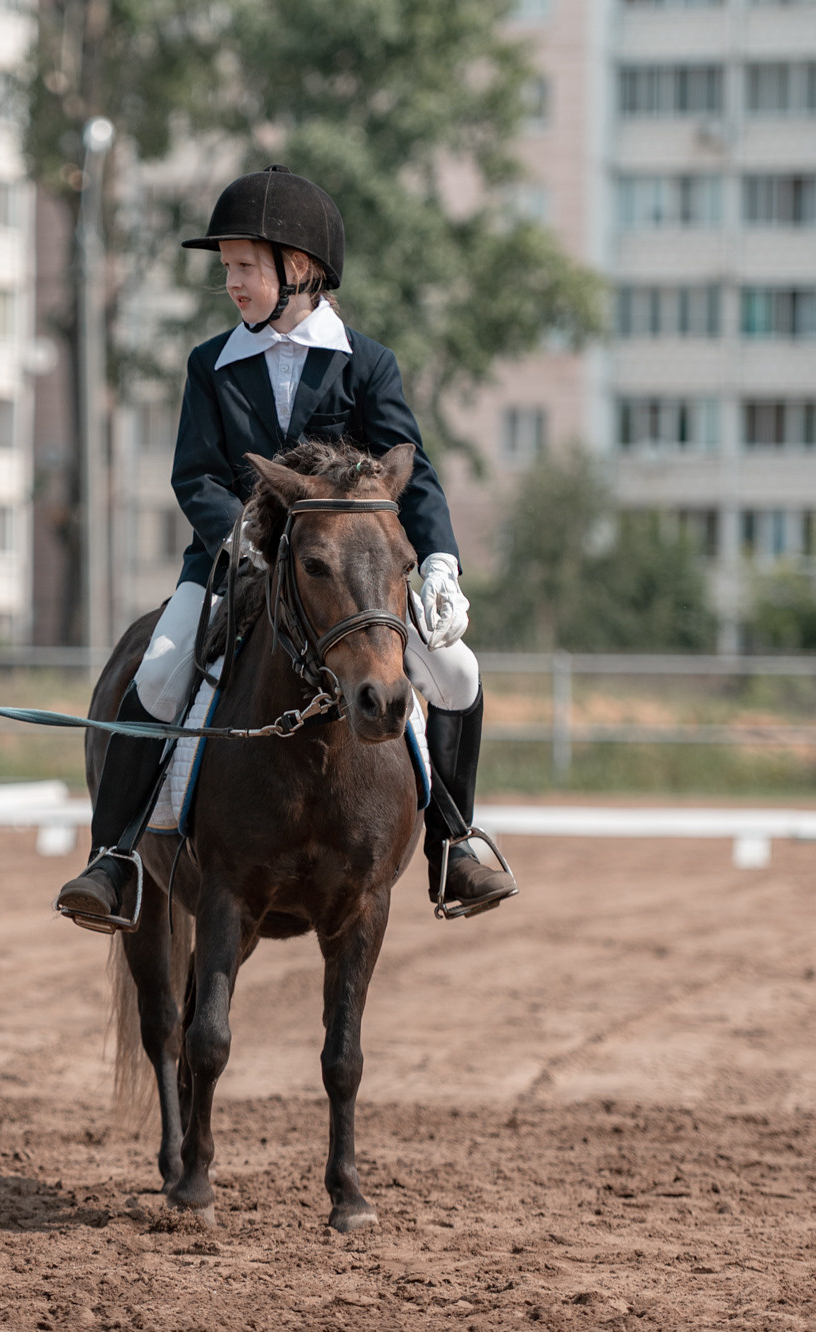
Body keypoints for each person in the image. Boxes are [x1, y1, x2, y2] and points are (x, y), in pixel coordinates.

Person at [54, 165, 518, 931]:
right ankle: (115, 857)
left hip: (347, 583)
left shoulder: (366, 363)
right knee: (162, 669)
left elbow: (416, 473)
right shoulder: (211, 365)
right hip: (233, 565)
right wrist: (242, 537)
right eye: (227, 268)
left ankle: (454, 844)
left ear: (297, 270)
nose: (231, 283)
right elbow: (195, 475)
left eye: (244, 267)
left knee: (460, 670)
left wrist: (438, 563)